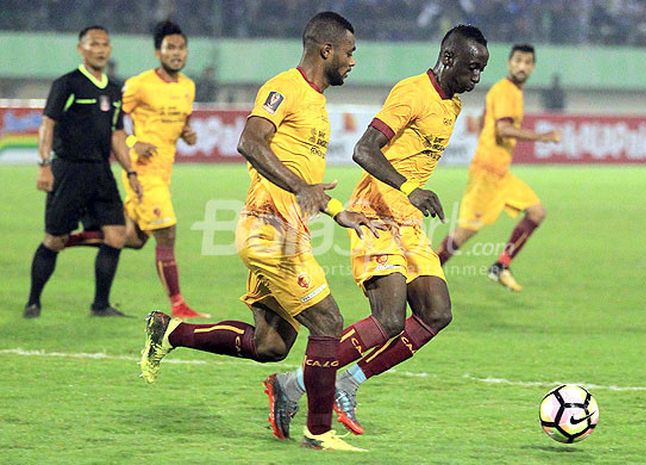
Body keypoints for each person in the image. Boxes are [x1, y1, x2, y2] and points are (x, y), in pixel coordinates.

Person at [139, 12, 380, 452]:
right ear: (326, 50)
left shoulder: (317, 102)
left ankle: (169, 332)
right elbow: (250, 142)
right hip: (270, 232)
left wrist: (333, 209)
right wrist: (306, 191)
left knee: (269, 345)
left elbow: (302, 179)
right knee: (328, 322)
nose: (352, 61)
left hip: (291, 230)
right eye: (349, 52)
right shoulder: (282, 88)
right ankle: (319, 433)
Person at [267, 25, 490, 436]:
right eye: (472, 68)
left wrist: (412, 197)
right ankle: (303, 384)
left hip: (408, 220)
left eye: (481, 70)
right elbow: (363, 150)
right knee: (388, 319)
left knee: (437, 313)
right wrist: (410, 188)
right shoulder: (412, 93)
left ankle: (334, 382)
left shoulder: (452, 104)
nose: (476, 78)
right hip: (376, 211)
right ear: (448, 58)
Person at [66, 21, 207, 319]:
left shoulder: (187, 86)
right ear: (158, 52)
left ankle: (70, 238)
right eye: (170, 47)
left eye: (181, 48)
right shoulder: (139, 85)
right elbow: (110, 120)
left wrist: (187, 133)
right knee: (167, 232)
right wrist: (132, 141)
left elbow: (181, 122)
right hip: (141, 171)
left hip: (164, 173)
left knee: (133, 238)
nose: (177, 53)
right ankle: (179, 304)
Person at [23, 25, 143, 319]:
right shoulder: (68, 84)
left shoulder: (115, 90)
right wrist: (44, 165)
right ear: (81, 48)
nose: (100, 49)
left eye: (105, 44)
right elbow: (47, 124)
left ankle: (100, 305)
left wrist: (130, 171)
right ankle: (33, 302)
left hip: (101, 172)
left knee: (116, 235)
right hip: (69, 171)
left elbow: (117, 134)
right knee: (54, 239)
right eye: (94, 44)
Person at [436, 44, 560, 292]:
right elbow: (502, 130)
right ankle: (426, 271)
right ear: (509, 63)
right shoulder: (505, 91)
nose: (522, 66)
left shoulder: (512, 91)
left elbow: (485, 122)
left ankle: (501, 266)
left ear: (533, 67)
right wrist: (541, 137)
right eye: (518, 61)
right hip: (487, 175)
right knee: (465, 231)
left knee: (536, 212)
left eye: (527, 62)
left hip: (501, 173)